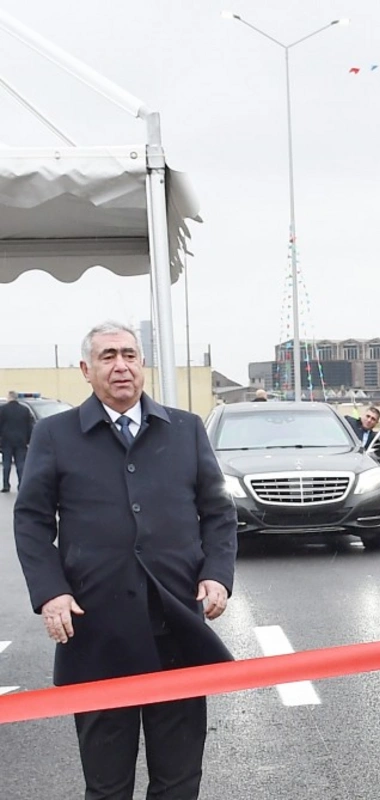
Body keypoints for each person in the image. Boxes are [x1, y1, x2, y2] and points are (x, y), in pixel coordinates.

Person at [13, 321, 237, 800]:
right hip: (97, 632)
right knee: (107, 785)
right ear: (86, 370)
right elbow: (31, 520)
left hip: (175, 629)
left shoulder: (186, 429)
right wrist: (51, 591)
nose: (121, 366)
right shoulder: (55, 435)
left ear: (142, 364)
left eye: (130, 355)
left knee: (178, 782)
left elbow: (218, 512)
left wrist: (217, 575)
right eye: (108, 356)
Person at [1, 389, 34, 492]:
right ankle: (21, 485)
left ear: (9, 398)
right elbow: (30, 426)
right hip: (21, 441)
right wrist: (28, 440)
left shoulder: (2, 410)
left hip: (6, 441)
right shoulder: (24, 410)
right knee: (21, 464)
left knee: (6, 464)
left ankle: (6, 485)